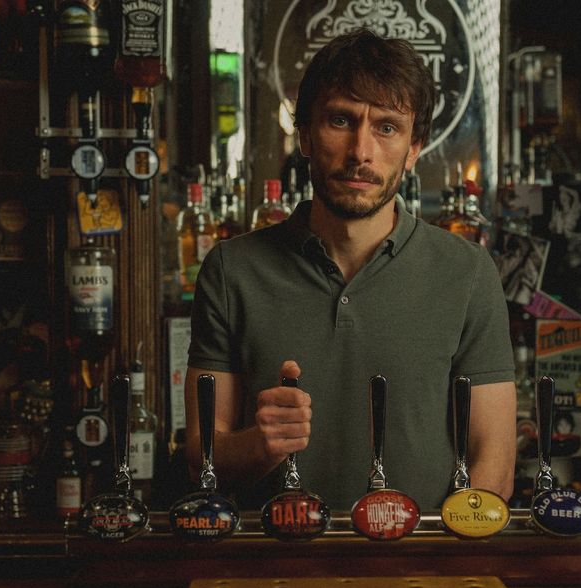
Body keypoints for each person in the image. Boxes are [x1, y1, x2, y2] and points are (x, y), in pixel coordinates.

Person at [184, 29, 516, 512]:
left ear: (414, 148)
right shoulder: (232, 270)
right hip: (270, 570)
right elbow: (200, 459)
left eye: (387, 127)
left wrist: (448, 562)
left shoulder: (466, 272)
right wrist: (260, 445)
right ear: (304, 135)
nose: (361, 151)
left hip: (423, 569)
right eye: (341, 120)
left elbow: (496, 461)